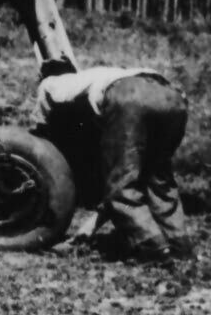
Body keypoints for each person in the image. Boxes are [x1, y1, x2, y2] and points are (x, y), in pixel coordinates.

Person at [33, 59, 192, 261]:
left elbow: (39, 139)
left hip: (131, 97)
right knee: (159, 181)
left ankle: (153, 247)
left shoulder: (50, 84)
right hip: (173, 98)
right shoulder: (101, 74)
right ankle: (180, 245)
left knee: (122, 187)